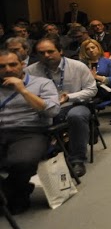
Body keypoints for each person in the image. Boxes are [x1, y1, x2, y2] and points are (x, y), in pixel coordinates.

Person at [0, 49, 60, 213]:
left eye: (13, 64)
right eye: (2, 66)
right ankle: (13, 189)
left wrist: (23, 91)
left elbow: (52, 111)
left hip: (30, 132)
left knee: (22, 162)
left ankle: (12, 191)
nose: (8, 69)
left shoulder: (42, 83)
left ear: (23, 65)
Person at [26, 38, 97, 178]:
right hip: (45, 108)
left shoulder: (77, 66)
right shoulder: (30, 71)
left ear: (60, 51)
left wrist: (69, 97)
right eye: (41, 53)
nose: (46, 55)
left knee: (76, 116)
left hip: (75, 104)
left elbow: (92, 90)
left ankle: (77, 160)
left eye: (50, 51)